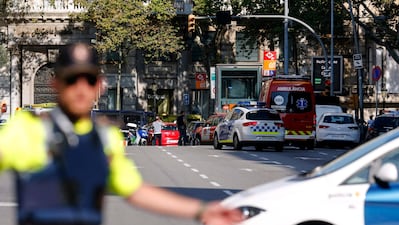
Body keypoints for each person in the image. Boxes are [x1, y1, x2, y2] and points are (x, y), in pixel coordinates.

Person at [0, 42, 243, 225]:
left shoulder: (106, 138)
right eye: (72, 79)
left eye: (88, 80)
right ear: (57, 84)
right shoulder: (27, 130)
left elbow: (135, 191)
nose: (81, 89)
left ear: (99, 85)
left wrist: (201, 211)